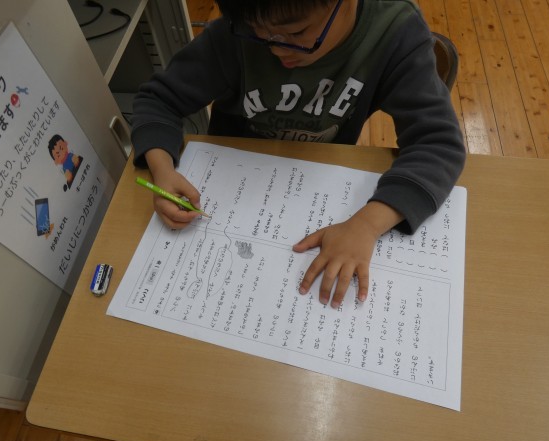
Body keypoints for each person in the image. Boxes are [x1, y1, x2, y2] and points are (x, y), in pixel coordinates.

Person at [131, 0, 466, 308]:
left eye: (296, 33)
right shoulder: (238, 28)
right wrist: (162, 170)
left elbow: (437, 143)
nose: (277, 49)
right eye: (260, 34)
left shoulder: (394, 33)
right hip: (233, 187)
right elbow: (159, 101)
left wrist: (366, 225)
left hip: (318, 181)